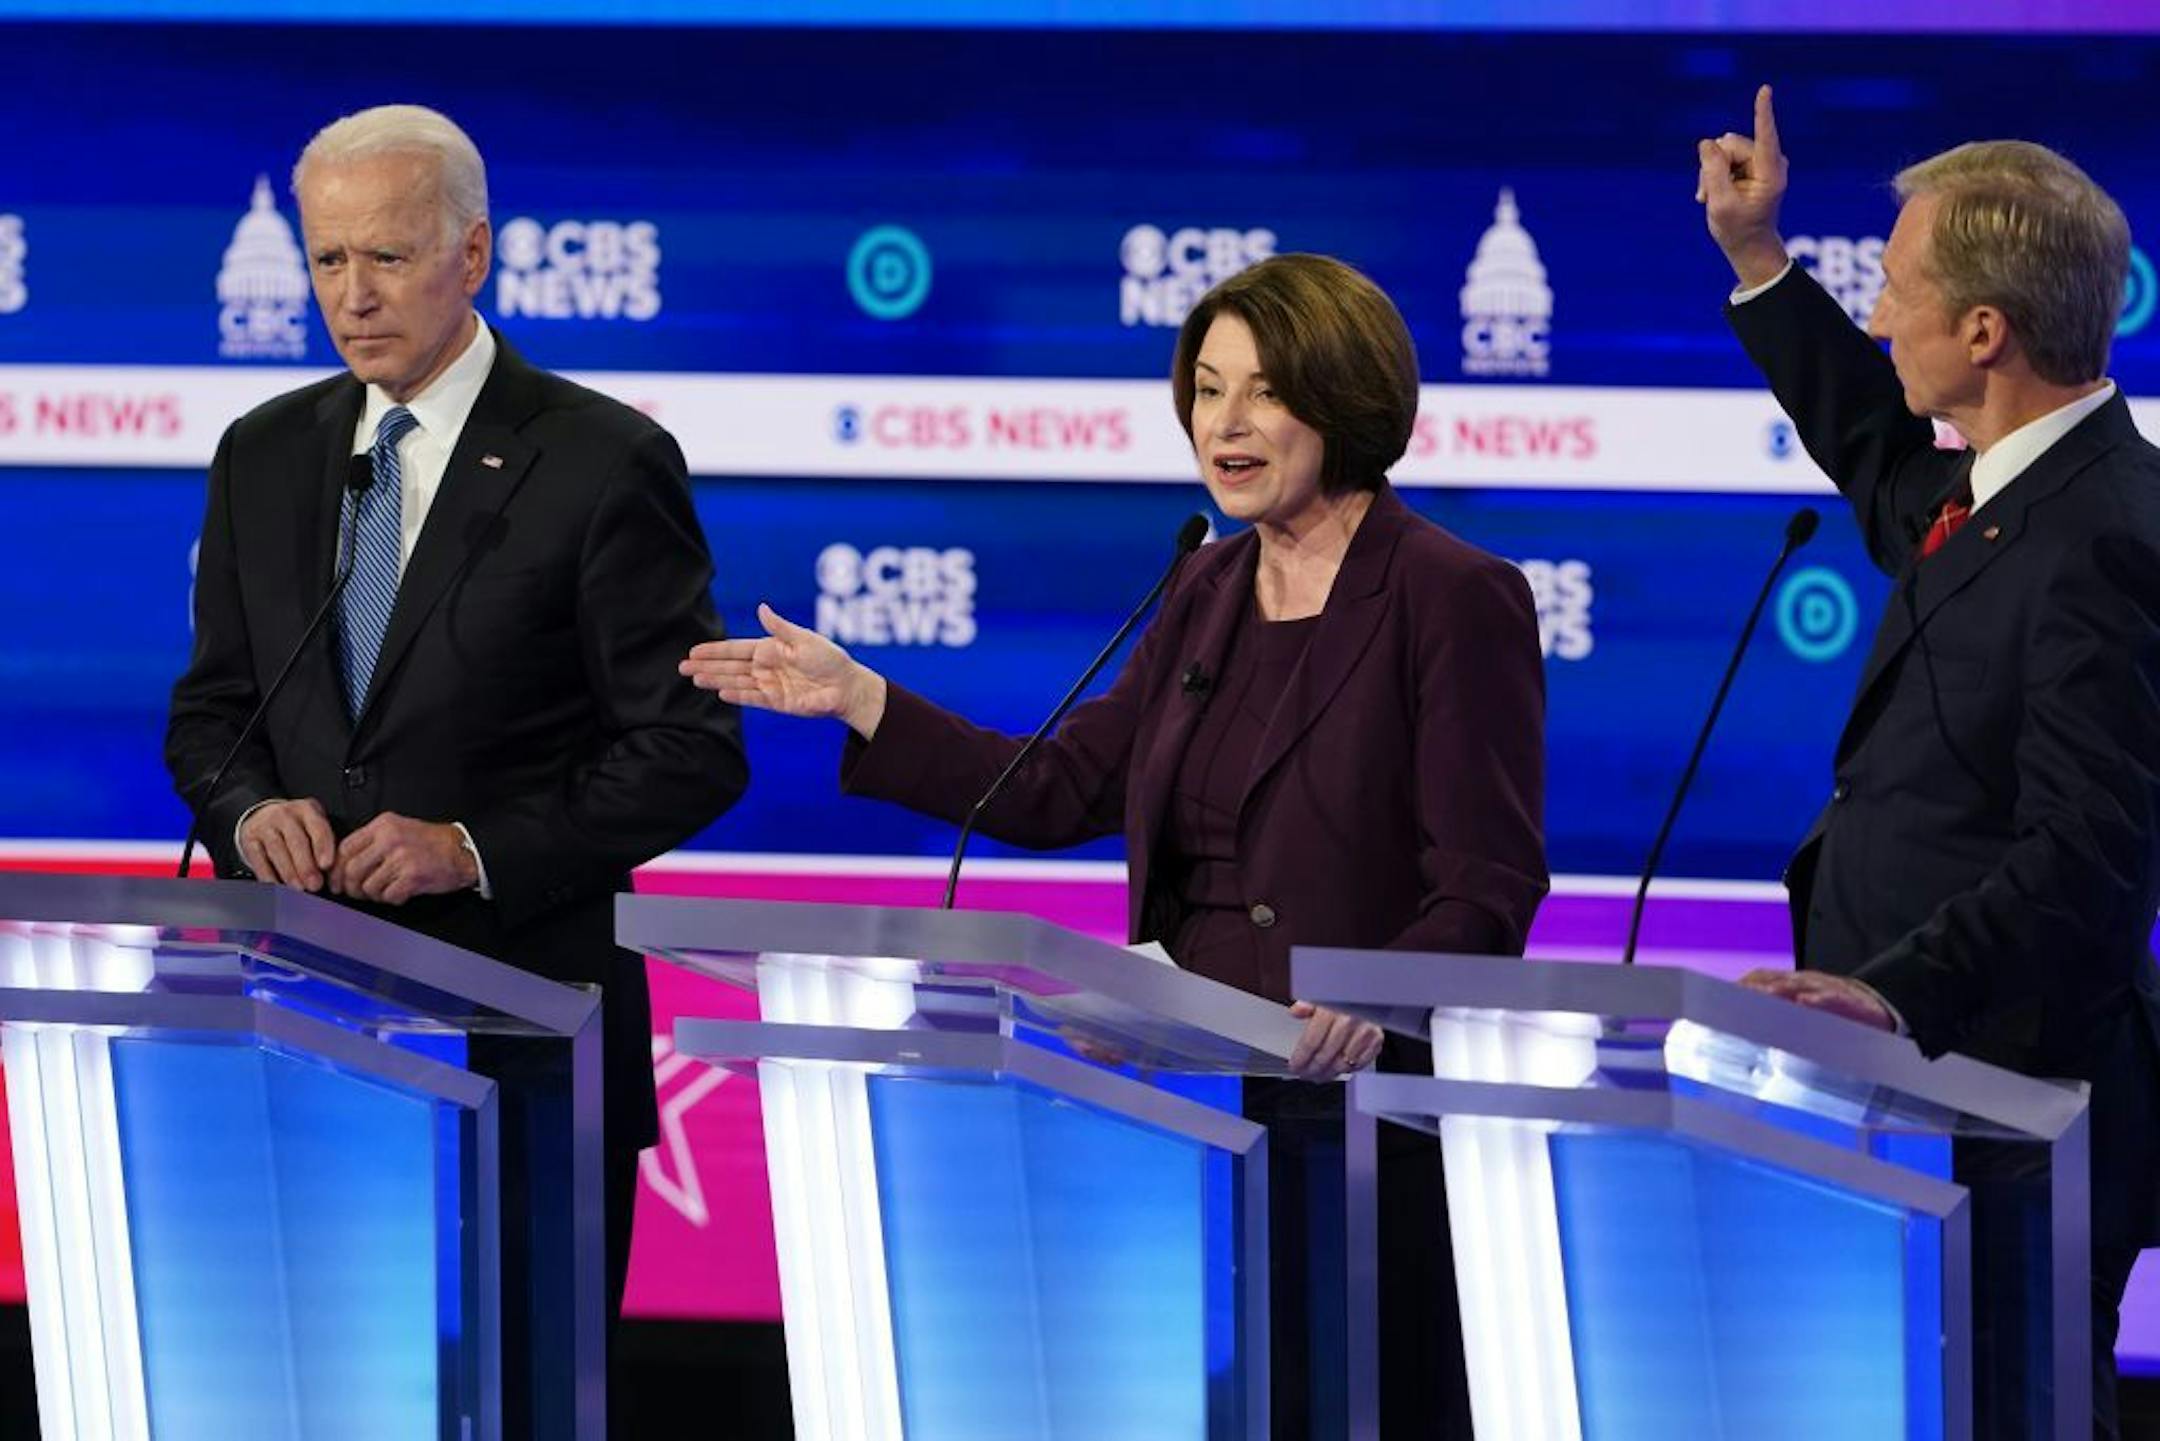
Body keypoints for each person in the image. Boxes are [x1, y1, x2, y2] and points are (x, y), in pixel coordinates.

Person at [682, 252, 1548, 1437]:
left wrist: (1376, 1000)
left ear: (1343, 399)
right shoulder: (1202, 587)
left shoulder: (1453, 594)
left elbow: (1488, 880)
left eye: (1261, 391)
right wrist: (863, 699)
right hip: (1185, 1109)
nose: (1224, 425)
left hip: (1355, 1126)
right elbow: (1057, 785)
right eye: (1206, 389)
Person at [165, 104, 749, 1434]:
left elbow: (690, 749)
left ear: (473, 254)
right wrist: (250, 811)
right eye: (325, 262)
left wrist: (472, 845)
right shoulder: (266, 455)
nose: (351, 297)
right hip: (301, 1035)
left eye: (386, 257)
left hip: (522, 1042)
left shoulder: (601, 461)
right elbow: (212, 715)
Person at [1699, 86, 2160, 1438]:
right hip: (1919, 1112)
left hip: (2013, 1124)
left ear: (1984, 329)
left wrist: (1884, 1001)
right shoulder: (1999, 493)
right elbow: (1874, 447)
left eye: (1895, 288)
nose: (1880, 312)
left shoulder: (2108, 537)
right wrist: (1759, 264)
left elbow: (2086, 864)